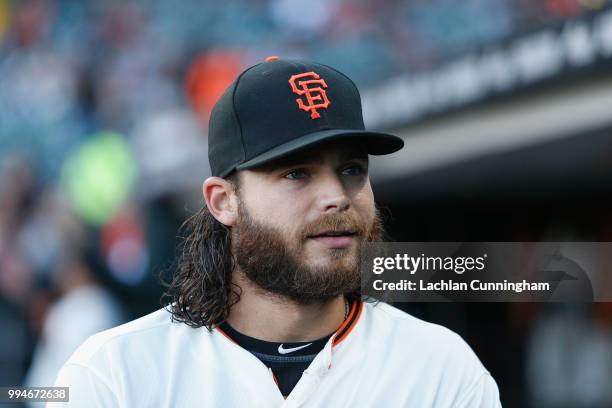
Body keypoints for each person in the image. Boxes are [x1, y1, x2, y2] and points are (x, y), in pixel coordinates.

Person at [52, 57, 501, 407]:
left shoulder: (441, 368)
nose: (336, 196)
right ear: (223, 202)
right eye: (296, 173)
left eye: (351, 169)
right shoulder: (116, 374)